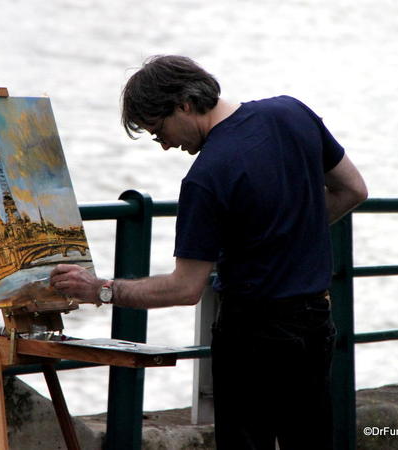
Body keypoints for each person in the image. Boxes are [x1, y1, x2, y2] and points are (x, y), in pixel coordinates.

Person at [50, 55, 367, 450]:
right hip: (316, 322)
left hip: (253, 336)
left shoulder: (207, 175)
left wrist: (100, 289)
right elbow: (353, 190)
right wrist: (289, 233)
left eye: (158, 130)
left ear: (183, 104)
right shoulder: (292, 112)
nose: (165, 145)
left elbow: (184, 289)